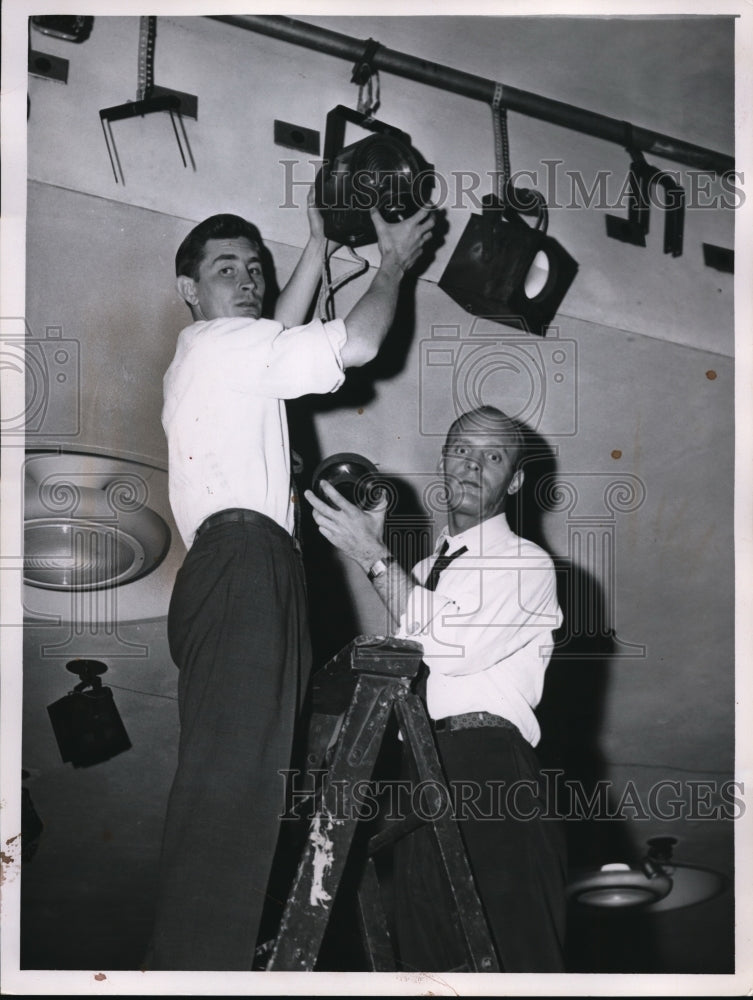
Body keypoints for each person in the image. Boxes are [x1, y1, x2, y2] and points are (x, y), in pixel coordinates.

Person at [149, 197, 434, 971]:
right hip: (245, 562)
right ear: (187, 288)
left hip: (243, 565)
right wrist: (395, 262)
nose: (246, 280)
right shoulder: (222, 342)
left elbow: (273, 325)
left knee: (246, 772)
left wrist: (311, 245)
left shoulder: (215, 353)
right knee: (236, 781)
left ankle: (214, 956)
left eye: (254, 267)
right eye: (223, 269)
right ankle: (197, 972)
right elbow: (364, 339)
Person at [304, 404, 567, 972]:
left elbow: (454, 649)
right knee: (428, 962)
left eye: (492, 457)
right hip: (417, 778)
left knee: (511, 956)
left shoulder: (527, 563)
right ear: (444, 461)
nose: (472, 467)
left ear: (515, 481)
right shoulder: (422, 572)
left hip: (488, 767)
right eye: (461, 451)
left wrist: (372, 556)